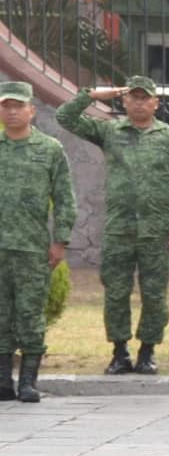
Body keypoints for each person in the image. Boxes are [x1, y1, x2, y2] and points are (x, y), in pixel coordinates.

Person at [54, 75, 169, 375]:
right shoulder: (109, 131)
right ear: (125, 101)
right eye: (134, 97)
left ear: (156, 103)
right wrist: (91, 95)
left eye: (146, 98)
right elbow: (65, 117)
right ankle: (119, 352)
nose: (140, 102)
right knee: (116, 291)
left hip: (156, 229)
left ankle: (147, 351)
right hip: (119, 228)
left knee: (154, 293)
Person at [0, 80, 75, 404]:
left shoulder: (50, 150)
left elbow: (64, 199)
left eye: (18, 106)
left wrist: (60, 240)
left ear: (32, 110)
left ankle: (28, 381)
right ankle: (3, 382)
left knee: (30, 314)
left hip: (32, 248)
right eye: (6, 106)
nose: (12, 111)